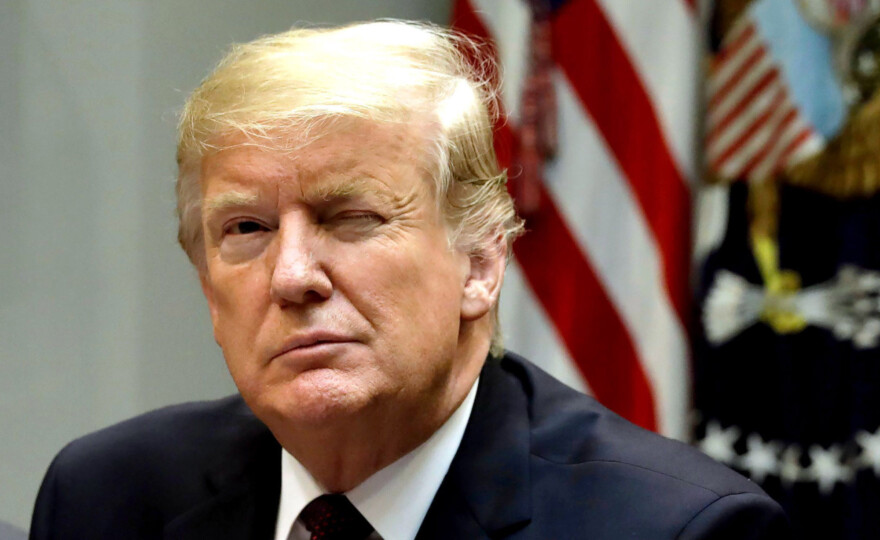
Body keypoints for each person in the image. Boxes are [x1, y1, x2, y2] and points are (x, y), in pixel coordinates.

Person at [29, 20, 789, 539]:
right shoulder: (107, 498)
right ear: (207, 290)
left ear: (481, 265)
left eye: (351, 218)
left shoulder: (676, 529)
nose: (291, 276)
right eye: (247, 230)